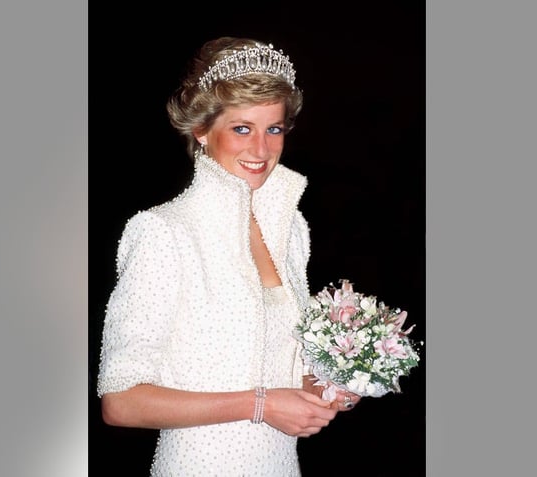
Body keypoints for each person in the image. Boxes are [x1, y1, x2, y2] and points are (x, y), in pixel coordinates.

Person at [96, 36, 361, 476]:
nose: (260, 149)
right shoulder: (164, 231)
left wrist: (328, 387)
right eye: (242, 128)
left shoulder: (291, 230)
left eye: (273, 129)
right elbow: (121, 403)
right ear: (202, 130)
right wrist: (260, 406)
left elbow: (282, 371)